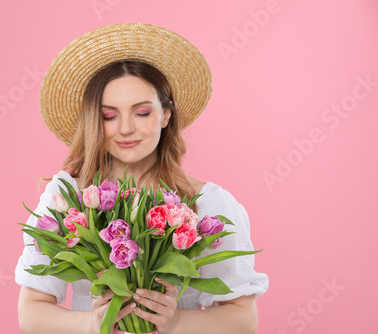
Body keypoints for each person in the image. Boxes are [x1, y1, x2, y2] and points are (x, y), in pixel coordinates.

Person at [15, 23, 269, 334]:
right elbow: (31, 314)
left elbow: (243, 321)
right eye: (109, 115)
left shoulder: (208, 203)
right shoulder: (67, 198)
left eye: (142, 112)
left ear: (165, 115)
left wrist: (174, 321)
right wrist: (93, 324)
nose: (125, 129)